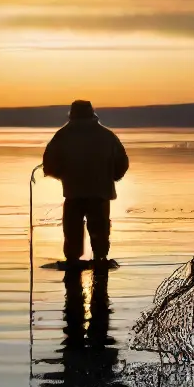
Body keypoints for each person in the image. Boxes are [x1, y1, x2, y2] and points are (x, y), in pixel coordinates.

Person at [42, 100, 129, 265]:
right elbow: (122, 163)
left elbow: (49, 165)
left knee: (72, 231)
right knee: (100, 231)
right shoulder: (107, 136)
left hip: (74, 193)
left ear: (71, 114)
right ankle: (100, 260)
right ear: (92, 113)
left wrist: (60, 174)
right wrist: (114, 177)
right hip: (100, 193)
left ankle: (73, 263)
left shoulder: (62, 136)